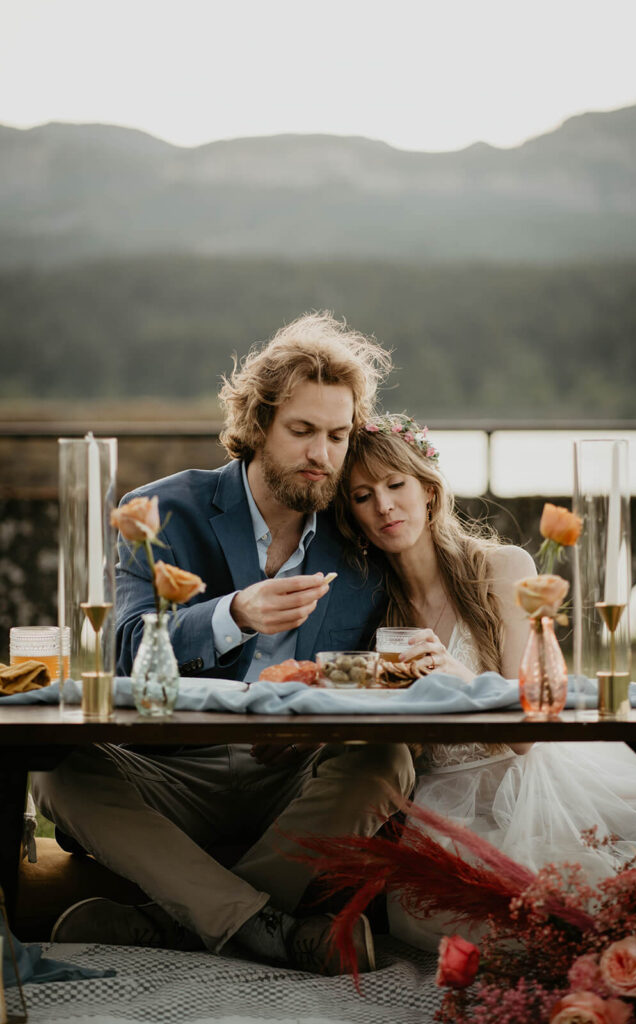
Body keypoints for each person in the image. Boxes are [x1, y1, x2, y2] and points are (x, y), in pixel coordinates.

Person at [33, 313, 415, 974]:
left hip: (293, 775)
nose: (321, 455)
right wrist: (231, 613)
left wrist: (336, 689)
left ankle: (185, 921)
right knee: (58, 768)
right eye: (301, 431)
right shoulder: (162, 512)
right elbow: (124, 649)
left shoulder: (356, 541)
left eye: (336, 435)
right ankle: (271, 925)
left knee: (385, 761)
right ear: (257, 424)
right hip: (171, 766)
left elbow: (371, 673)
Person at [336, 412, 636, 952]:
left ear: (428, 491)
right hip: (441, 804)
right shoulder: (372, 608)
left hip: (534, 785)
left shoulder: (502, 569)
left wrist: (456, 678)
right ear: (351, 514)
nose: (383, 505)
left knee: (602, 900)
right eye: (362, 495)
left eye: (395, 484)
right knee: (425, 917)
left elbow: (525, 734)